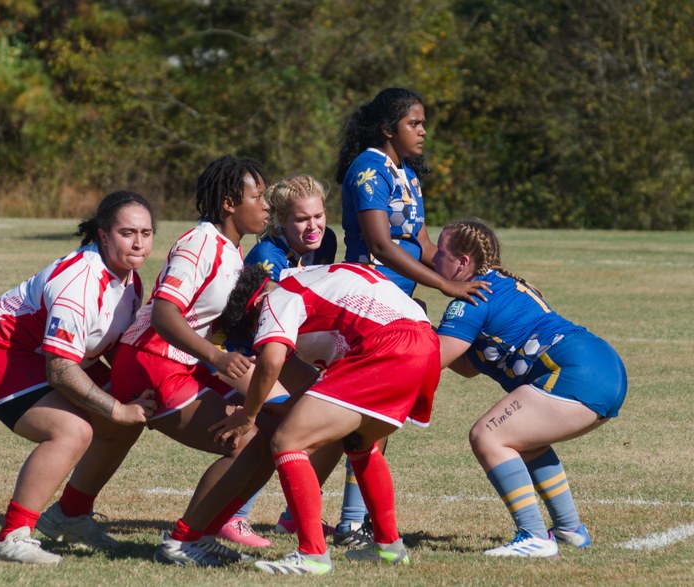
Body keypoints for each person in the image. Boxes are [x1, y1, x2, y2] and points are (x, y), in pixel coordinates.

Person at [0, 191, 158, 564]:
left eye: (146, 233)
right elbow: (60, 369)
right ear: (102, 235)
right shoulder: (79, 284)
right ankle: (10, 538)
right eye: (127, 232)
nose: (138, 243)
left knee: (127, 420)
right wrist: (116, 408)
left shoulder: (130, 280)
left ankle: (71, 515)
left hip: (52, 354)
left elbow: (107, 344)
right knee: (73, 430)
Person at [211, 262, 441, 575]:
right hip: (424, 341)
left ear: (252, 309)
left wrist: (247, 415)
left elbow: (271, 361)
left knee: (287, 441)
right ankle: (388, 546)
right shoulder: (307, 277)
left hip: (388, 344)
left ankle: (311, 554)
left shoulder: (275, 298)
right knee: (359, 441)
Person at [109, 155, 281, 567]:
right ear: (228, 203)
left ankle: (199, 536)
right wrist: (217, 358)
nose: (266, 206)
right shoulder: (200, 243)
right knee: (248, 441)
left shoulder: (233, 253)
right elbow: (166, 313)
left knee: (273, 435)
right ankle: (183, 541)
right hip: (150, 359)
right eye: (257, 196)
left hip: (181, 362)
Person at [433, 217, 628, 557]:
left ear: (463, 262)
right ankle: (570, 529)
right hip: (603, 366)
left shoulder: (469, 299)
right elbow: (466, 367)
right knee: (523, 440)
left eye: (440, 253)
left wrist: (413, 327)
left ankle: (533, 535)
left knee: (487, 435)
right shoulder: (502, 283)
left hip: (575, 372)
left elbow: (431, 360)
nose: (433, 260)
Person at [223, 175, 369, 548]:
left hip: (286, 347)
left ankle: (295, 514)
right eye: (302, 220)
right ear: (281, 222)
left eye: (318, 216)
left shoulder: (327, 241)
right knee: (285, 422)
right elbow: (266, 322)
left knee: (336, 417)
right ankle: (233, 517)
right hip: (245, 351)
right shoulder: (267, 258)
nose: (313, 226)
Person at [337, 87, 489, 303]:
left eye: (422, 124)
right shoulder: (369, 170)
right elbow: (380, 246)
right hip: (369, 294)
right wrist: (444, 284)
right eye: (414, 124)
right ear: (388, 130)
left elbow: (423, 245)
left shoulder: (408, 172)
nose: (423, 131)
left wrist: (469, 272)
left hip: (397, 296)